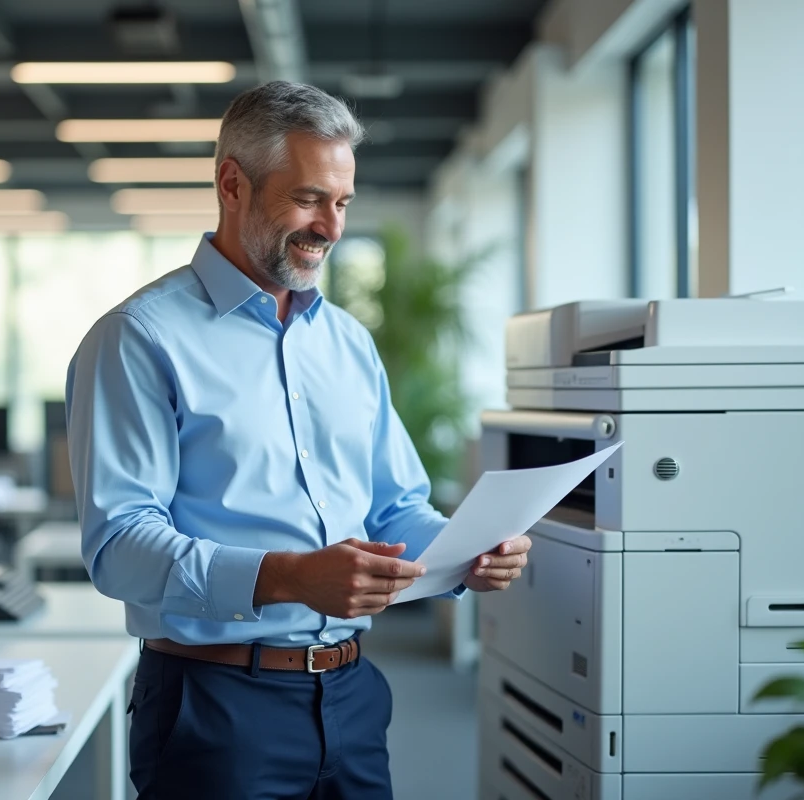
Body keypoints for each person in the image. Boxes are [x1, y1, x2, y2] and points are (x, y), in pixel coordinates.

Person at [66, 80, 532, 800]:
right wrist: (287, 576)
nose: (331, 227)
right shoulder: (139, 339)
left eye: (342, 203)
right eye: (310, 198)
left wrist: (466, 551)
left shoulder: (347, 343)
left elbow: (394, 507)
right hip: (214, 706)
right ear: (232, 185)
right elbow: (119, 547)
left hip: (352, 696)